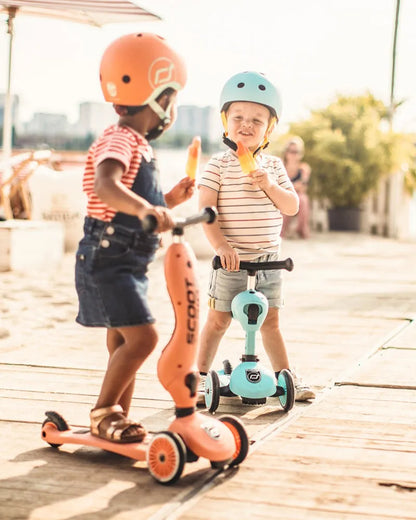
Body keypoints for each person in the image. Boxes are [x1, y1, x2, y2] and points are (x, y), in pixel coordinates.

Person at [75, 33, 195, 444]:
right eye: (173, 97)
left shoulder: (137, 143)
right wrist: (146, 209)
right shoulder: (119, 139)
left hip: (126, 261)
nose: (174, 108)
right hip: (108, 259)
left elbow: (141, 202)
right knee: (144, 337)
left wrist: (168, 202)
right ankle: (103, 412)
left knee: (123, 342)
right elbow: (106, 187)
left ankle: (117, 417)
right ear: (156, 95)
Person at [197, 71, 315, 402]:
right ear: (225, 121)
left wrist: (269, 185)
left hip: (269, 258)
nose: (246, 125)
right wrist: (220, 245)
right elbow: (207, 211)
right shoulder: (217, 165)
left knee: (270, 321)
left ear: (269, 128)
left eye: (257, 120)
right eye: (238, 118)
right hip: (231, 257)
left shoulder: (274, 167)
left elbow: (290, 207)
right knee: (218, 320)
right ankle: (200, 376)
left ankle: (285, 376)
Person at [281, 136, 311, 239]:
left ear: (300, 154)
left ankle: (301, 230)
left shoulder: (303, 168)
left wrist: (289, 187)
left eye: (296, 151)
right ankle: (282, 230)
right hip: (282, 196)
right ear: (286, 152)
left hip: (296, 196)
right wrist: (295, 186)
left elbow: (303, 188)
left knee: (303, 199)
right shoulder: (280, 166)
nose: (293, 154)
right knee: (287, 199)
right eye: (290, 151)